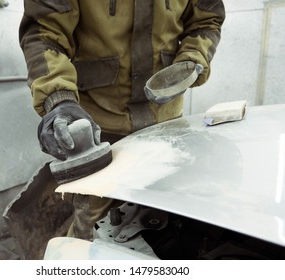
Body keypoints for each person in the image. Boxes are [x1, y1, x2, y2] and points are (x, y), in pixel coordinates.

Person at [19, 0, 225, 240]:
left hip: (167, 125)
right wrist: (59, 97)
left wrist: (192, 56)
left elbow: (207, 18)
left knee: (168, 227)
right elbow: (44, 30)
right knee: (93, 236)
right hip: (99, 131)